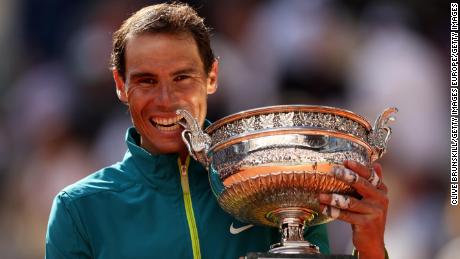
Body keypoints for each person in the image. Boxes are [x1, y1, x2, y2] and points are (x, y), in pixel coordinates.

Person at [45, 3, 389, 259]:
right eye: (146, 81)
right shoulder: (80, 210)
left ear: (212, 77)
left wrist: (372, 248)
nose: (167, 101)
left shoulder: (280, 178)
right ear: (121, 85)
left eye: (183, 78)